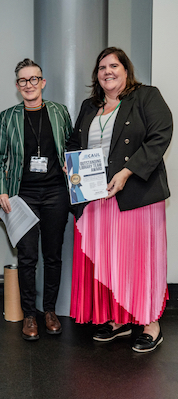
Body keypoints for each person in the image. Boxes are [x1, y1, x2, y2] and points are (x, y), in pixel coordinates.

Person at [67, 47, 172, 352]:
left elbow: (160, 135)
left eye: (114, 66)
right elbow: (75, 142)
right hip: (97, 196)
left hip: (136, 194)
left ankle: (151, 323)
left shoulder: (146, 96)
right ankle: (120, 319)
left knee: (140, 260)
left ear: (126, 70)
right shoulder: (90, 106)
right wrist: (70, 162)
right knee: (111, 260)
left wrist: (127, 172)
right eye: (102, 68)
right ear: (96, 76)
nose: (108, 72)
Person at [0, 58, 73, 341]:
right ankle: (29, 314)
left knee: (52, 255)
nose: (29, 85)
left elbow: (72, 148)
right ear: (17, 86)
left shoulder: (60, 112)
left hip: (56, 193)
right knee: (27, 257)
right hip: (21, 195)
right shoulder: (8, 116)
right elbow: (0, 157)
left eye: (34, 79)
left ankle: (49, 310)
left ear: (43, 82)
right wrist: (1, 189)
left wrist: (72, 168)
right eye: (23, 80)